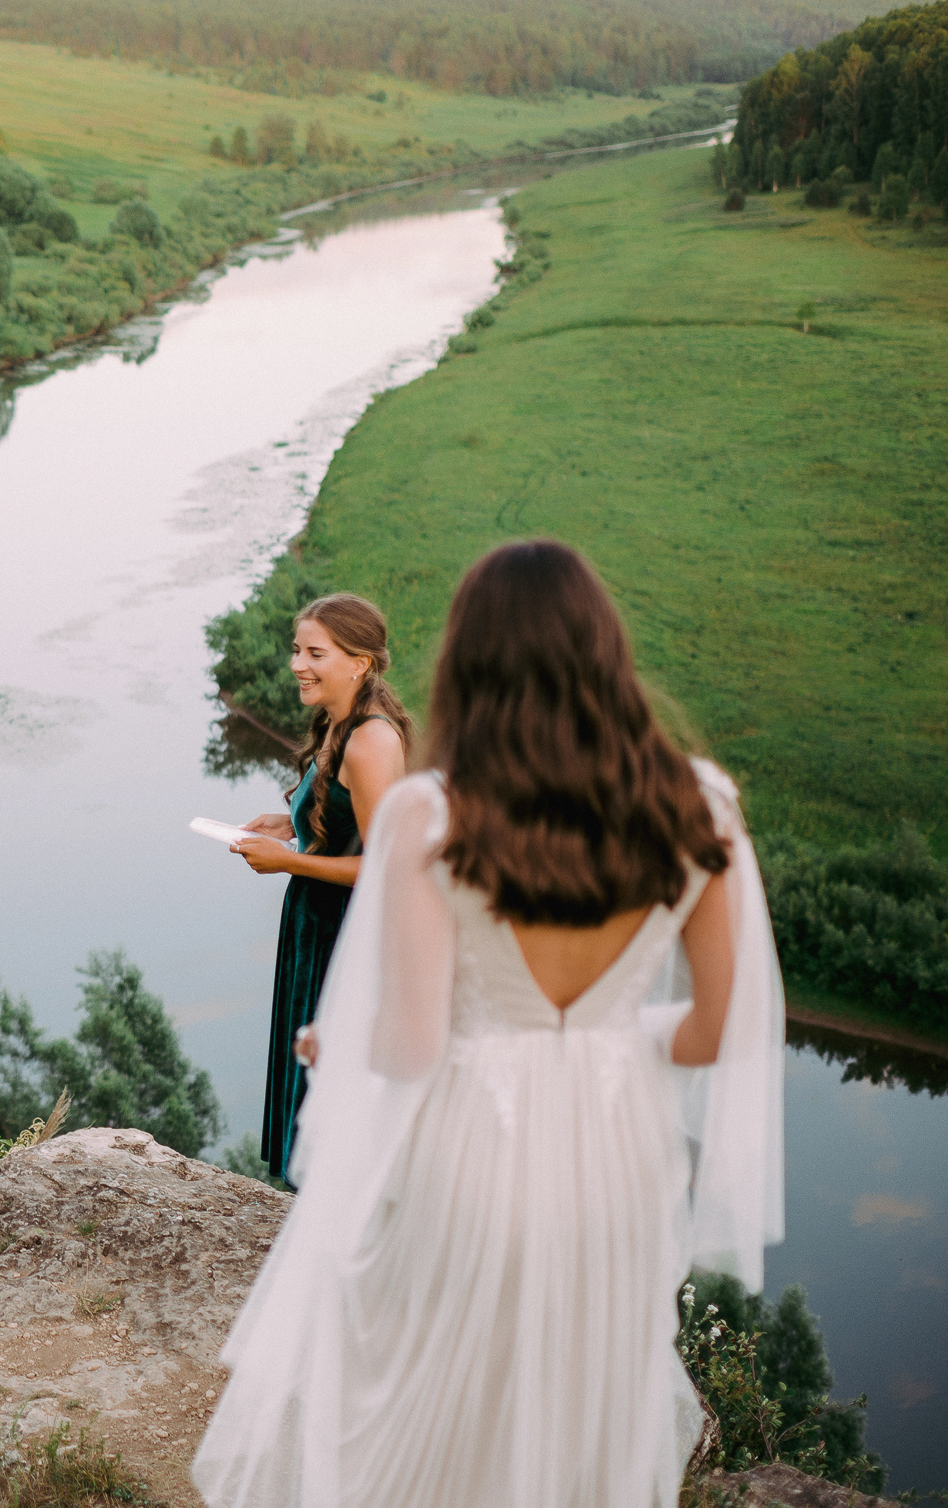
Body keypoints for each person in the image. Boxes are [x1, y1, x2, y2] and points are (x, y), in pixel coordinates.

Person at [192, 541, 785, 1508]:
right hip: (615, 1151)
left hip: (474, 1145)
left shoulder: (433, 813)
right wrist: (606, 1046)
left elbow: (417, 1043)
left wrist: (333, 1045)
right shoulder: (699, 802)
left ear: (468, 659)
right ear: (605, 653)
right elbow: (720, 1029)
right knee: (581, 1399)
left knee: (429, 1400)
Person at [229, 593, 411, 1181]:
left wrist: (290, 862)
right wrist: (294, 822)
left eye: (315, 653)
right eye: (295, 650)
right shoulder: (340, 722)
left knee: (334, 1079)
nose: (296, 665)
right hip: (315, 926)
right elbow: (348, 818)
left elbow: (388, 865)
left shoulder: (372, 741)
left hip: (344, 937)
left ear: (359, 661)